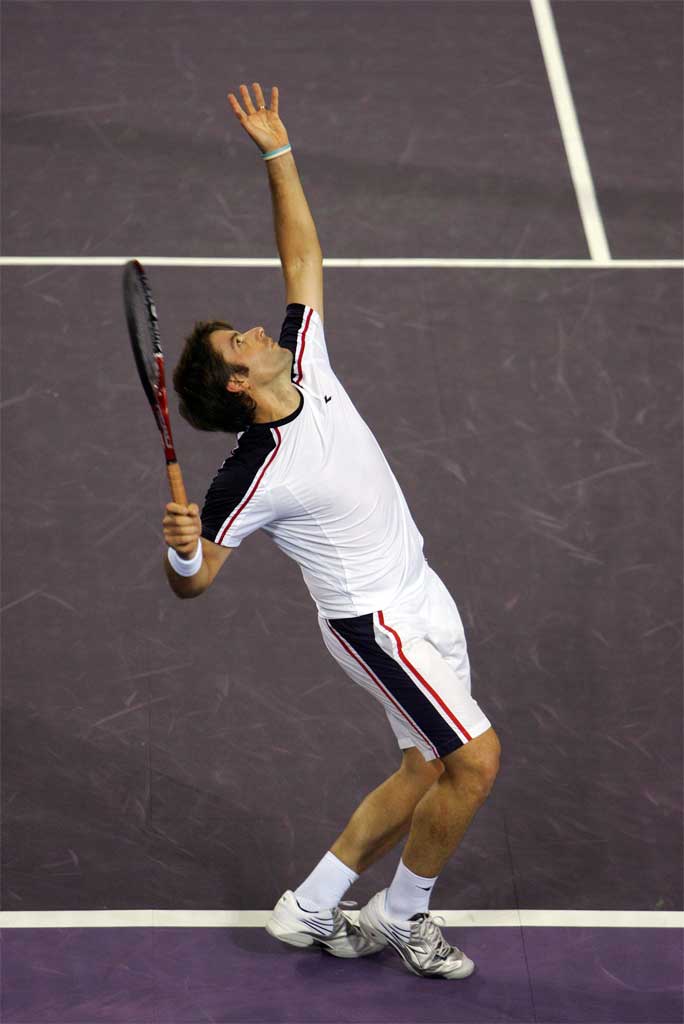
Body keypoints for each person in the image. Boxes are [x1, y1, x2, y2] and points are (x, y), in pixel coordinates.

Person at [163, 82, 501, 981]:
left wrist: (278, 154)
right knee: (475, 762)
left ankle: (309, 908)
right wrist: (181, 546)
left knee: (426, 768)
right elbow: (196, 580)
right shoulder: (252, 471)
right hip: (373, 622)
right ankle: (403, 914)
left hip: (421, 592)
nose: (253, 330)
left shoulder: (304, 359)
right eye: (238, 344)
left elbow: (303, 255)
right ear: (239, 385)